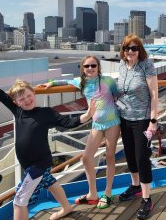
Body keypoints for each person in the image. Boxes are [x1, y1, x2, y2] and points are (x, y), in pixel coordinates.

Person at [0, 66, 94, 220]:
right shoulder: (18, 111)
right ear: (16, 102)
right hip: (32, 165)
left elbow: (69, 123)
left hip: (39, 164)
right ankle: (66, 208)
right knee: (50, 183)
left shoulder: (46, 113)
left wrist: (88, 115)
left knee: (19, 200)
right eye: (22, 99)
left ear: (33, 93)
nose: (27, 100)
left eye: (29, 96)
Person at [39, 56, 120, 209]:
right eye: (87, 66)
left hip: (113, 122)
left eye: (93, 65)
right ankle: (92, 194)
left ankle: (108, 193)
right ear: (82, 68)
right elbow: (66, 82)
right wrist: (51, 83)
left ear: (98, 67)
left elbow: (118, 95)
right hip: (96, 124)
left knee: (109, 156)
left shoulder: (108, 81)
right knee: (86, 158)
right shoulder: (81, 83)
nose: (90, 68)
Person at [117, 34, 158, 220]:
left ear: (139, 50)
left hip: (143, 119)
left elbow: (154, 94)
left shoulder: (146, 65)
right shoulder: (121, 65)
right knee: (130, 155)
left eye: (134, 48)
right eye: (127, 48)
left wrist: (153, 120)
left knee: (142, 158)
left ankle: (147, 199)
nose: (130, 52)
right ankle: (135, 187)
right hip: (124, 118)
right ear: (123, 51)